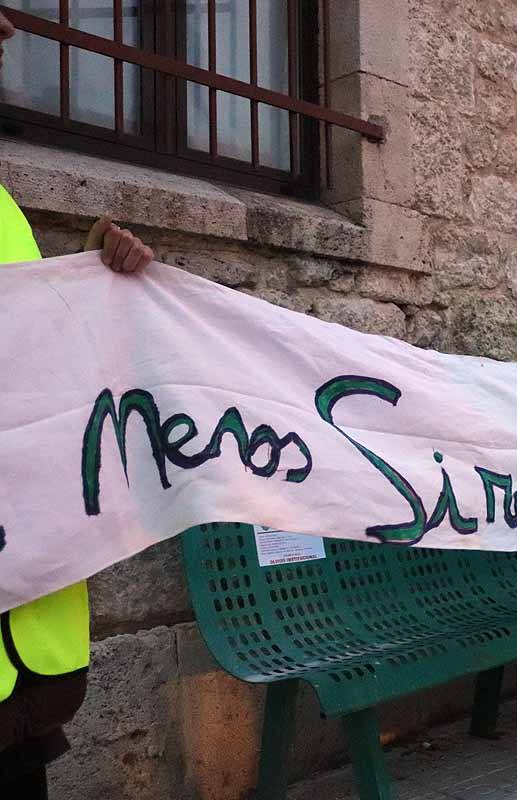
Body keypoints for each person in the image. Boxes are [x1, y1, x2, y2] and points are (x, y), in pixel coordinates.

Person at [0, 12, 158, 800]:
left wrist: (100, 271)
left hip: (33, 661)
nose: (4, 38)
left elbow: (43, 366)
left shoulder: (2, 205)